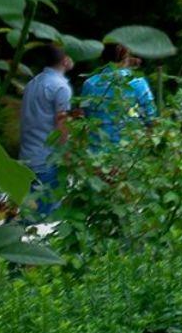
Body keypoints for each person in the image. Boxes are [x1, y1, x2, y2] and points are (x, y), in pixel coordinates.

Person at [19, 44, 74, 216]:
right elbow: (61, 125)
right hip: (47, 160)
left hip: (26, 156)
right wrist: (67, 156)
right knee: (45, 214)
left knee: (27, 211)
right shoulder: (61, 87)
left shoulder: (32, 83)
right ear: (65, 60)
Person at [79, 42, 157, 149]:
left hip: (95, 151)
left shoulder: (89, 84)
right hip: (129, 151)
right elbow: (151, 119)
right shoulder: (138, 83)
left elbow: (84, 115)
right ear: (126, 55)